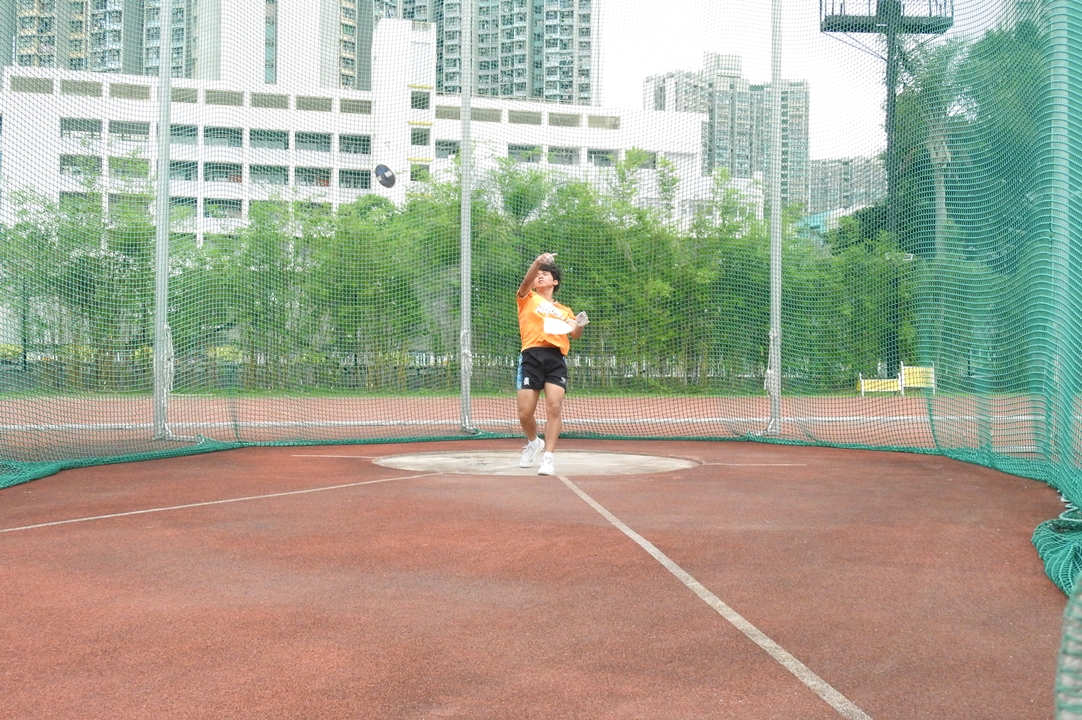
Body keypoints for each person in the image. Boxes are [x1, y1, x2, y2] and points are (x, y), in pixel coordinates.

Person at [516, 252, 588, 476]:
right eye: (537, 274)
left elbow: (574, 333)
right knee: (525, 413)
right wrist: (538, 262)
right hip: (530, 357)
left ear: (554, 281)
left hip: (555, 357)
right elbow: (525, 282)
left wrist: (579, 324)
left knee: (554, 407)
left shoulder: (564, 310)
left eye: (545, 273)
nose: (539, 276)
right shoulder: (527, 297)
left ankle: (548, 458)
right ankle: (533, 442)